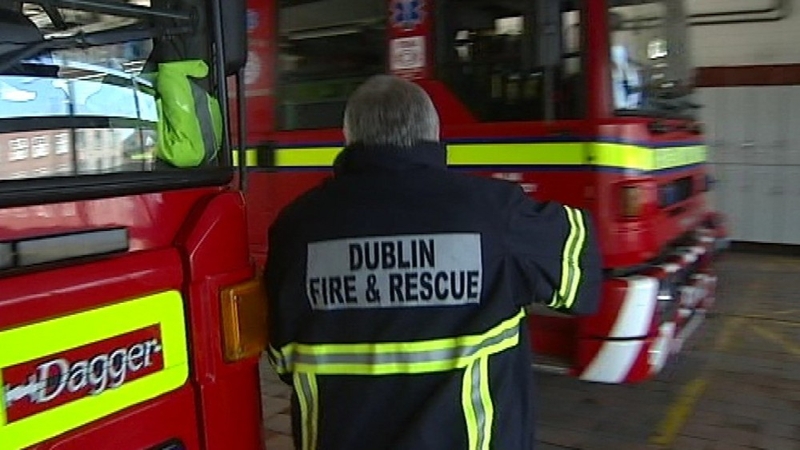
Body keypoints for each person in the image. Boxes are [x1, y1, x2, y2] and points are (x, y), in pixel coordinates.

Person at [265, 74, 601, 450]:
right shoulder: (496, 214)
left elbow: (282, 357)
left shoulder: (294, 228)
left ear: (348, 138)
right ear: (434, 135)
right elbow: (582, 273)